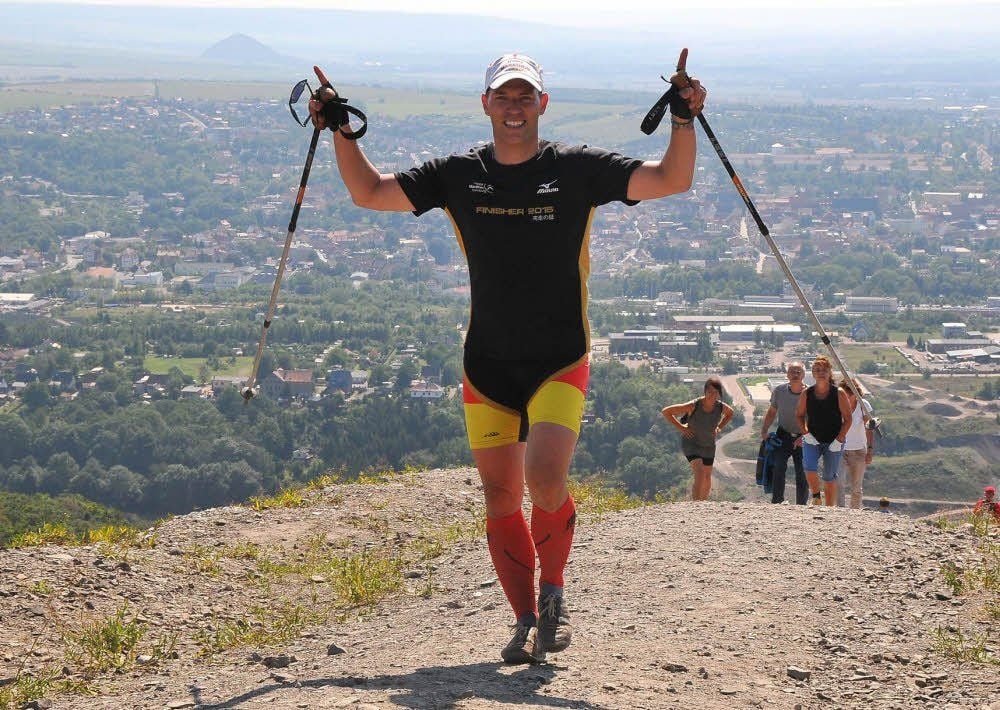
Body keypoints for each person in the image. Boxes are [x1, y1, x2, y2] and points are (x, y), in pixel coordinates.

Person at [309, 51, 706, 664]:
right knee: (499, 495)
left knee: (544, 479)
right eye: (504, 96)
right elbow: (368, 192)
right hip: (487, 363)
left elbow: (670, 180)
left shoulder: (576, 169)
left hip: (558, 356)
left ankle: (553, 594)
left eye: (526, 96)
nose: (515, 107)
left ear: (542, 104)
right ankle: (526, 621)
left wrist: (683, 120)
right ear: (486, 104)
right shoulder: (458, 174)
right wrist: (339, 127)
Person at [662, 376, 734, 501]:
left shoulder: (721, 407)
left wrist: (719, 427)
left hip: (708, 445)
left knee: (707, 477)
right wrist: (682, 428)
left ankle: (703, 505)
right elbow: (666, 411)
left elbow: (730, 413)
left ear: (719, 394)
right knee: (700, 474)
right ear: (704, 391)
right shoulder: (693, 405)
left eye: (716, 392)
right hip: (692, 443)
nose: (712, 395)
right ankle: (695, 507)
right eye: (710, 391)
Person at [795, 356, 852, 506]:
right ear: (812, 373)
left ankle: (829, 508)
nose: (821, 373)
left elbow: (848, 419)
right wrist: (806, 434)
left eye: (824, 370)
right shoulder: (806, 393)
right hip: (813, 438)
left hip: (834, 439)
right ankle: (816, 497)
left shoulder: (838, 393)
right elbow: (799, 416)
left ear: (830, 372)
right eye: (817, 370)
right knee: (809, 466)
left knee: (829, 476)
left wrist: (839, 440)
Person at [759, 362, 808, 505]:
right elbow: (772, 411)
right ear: (787, 375)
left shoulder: (810, 393)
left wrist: (805, 436)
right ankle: (777, 501)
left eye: (798, 372)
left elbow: (815, 418)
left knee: (802, 472)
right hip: (783, 434)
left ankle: (802, 504)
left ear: (804, 375)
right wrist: (764, 430)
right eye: (792, 371)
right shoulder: (779, 391)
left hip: (803, 436)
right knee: (778, 468)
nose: (795, 374)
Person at [837, 377, 874, 509]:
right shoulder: (837, 405)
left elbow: (869, 428)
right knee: (838, 482)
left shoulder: (863, 405)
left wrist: (869, 450)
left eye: (850, 392)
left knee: (856, 487)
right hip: (839, 449)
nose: (847, 395)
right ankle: (839, 510)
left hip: (858, 450)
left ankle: (855, 512)